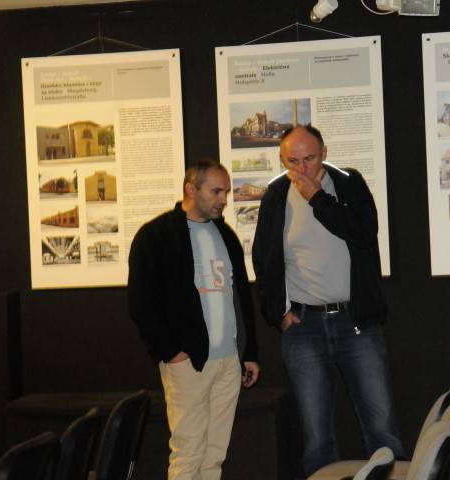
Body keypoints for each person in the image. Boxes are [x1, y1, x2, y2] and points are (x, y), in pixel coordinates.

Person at [252, 125, 404, 476]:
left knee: (382, 427)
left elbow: (363, 232)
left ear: (324, 152)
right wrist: (277, 312)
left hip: (356, 321)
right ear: (282, 159)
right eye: (292, 161)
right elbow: (264, 258)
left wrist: (317, 198)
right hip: (303, 326)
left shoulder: (348, 183)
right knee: (316, 435)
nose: (302, 169)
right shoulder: (276, 194)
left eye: (309, 158)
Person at [128, 159, 260, 480]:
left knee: (214, 455)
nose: (223, 199)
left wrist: (249, 351)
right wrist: (171, 352)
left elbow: (240, 296)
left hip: (228, 362)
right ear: (191, 189)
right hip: (188, 363)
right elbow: (141, 303)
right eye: (216, 191)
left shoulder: (226, 235)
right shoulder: (156, 235)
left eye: (226, 192)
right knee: (188, 453)